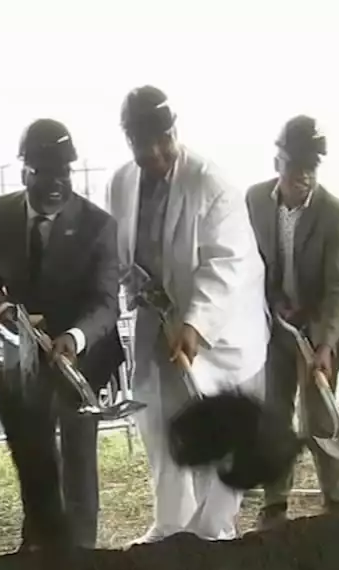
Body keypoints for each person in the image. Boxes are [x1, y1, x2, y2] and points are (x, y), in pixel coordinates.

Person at [106, 86, 269, 544]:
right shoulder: (121, 183)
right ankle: (172, 525)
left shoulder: (211, 183)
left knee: (222, 432)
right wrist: (133, 284)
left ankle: (214, 531)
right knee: (159, 424)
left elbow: (228, 264)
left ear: (175, 129)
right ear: (128, 141)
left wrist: (195, 323)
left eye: (163, 138)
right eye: (142, 144)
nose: (155, 152)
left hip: (221, 330)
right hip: (155, 321)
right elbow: (120, 251)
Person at [0, 118, 124, 551]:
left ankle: (80, 558)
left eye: (64, 173)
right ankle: (37, 547)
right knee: (34, 458)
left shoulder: (99, 226)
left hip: (83, 357)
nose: (56, 183)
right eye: (44, 172)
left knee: (78, 463)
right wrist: (5, 312)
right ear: (25, 171)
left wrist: (74, 338)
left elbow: (106, 303)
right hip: (23, 360)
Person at [244, 115, 339, 529]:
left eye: (312, 166)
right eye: (296, 165)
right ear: (278, 162)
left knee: (318, 418)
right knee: (274, 415)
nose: (304, 175)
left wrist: (324, 345)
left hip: (318, 329)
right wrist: (270, 302)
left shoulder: (336, 214)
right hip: (273, 328)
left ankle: (336, 505)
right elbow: (248, 262)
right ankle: (275, 504)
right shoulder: (254, 201)